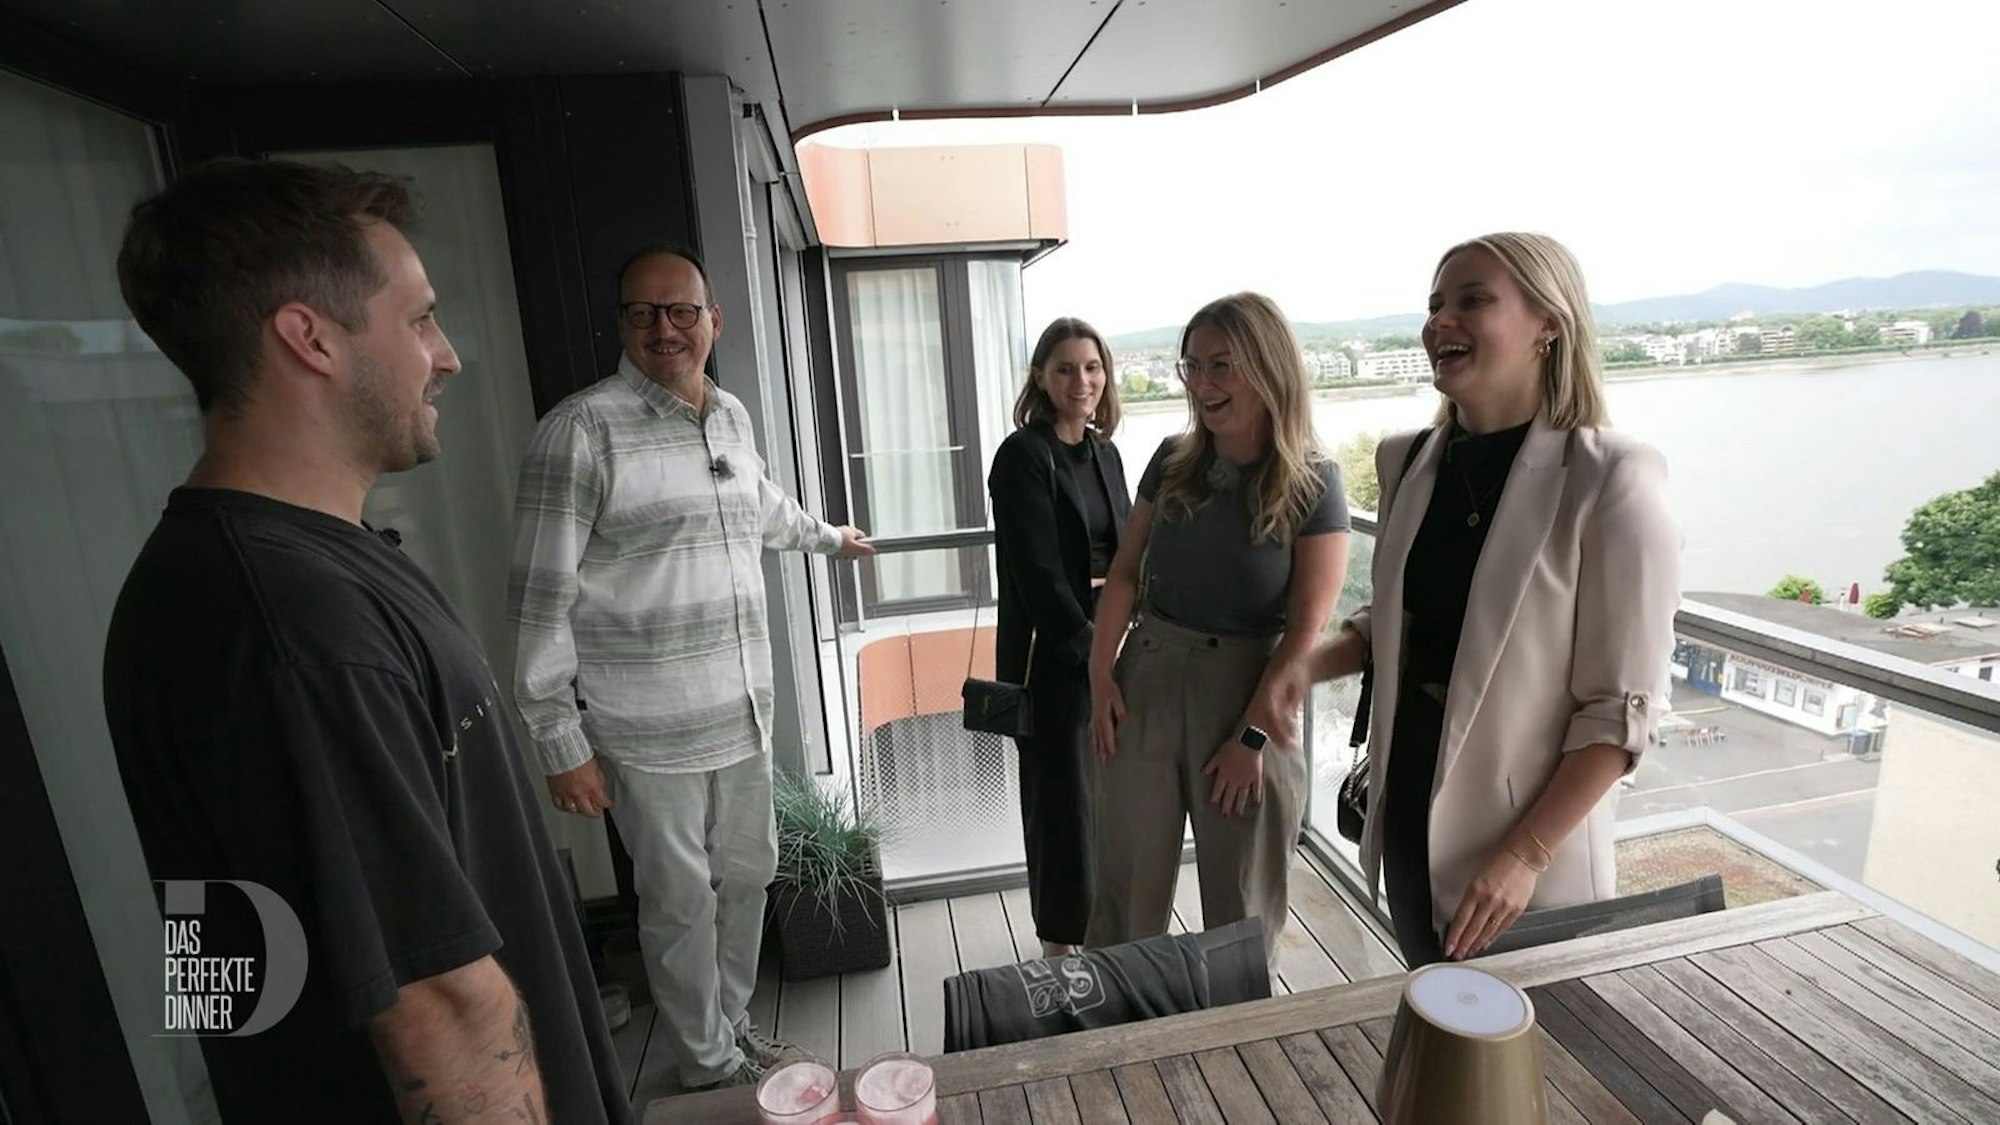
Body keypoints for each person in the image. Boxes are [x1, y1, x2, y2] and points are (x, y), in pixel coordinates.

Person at [102, 158, 631, 1122]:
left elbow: (224, 957)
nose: (447, 355)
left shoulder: (221, 580)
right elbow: (436, 1003)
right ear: (309, 338)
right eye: (420, 318)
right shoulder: (294, 629)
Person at [508, 242, 872, 1092]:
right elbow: (538, 596)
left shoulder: (730, 416)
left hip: (741, 711)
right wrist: (559, 739)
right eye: (642, 312)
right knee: (678, 902)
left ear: (714, 319)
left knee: (748, 875)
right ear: (621, 324)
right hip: (645, 729)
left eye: (681, 311)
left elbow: (762, 507)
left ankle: (732, 1027)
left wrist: (829, 538)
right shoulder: (580, 432)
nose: (663, 328)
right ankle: (709, 1069)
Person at [1300, 232, 1681, 966]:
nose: (1439, 322)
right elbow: (1401, 622)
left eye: (1472, 300)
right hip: (1404, 811)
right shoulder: (1407, 461)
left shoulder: (1612, 477)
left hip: (1525, 856)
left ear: (1549, 324)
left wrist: (1524, 854)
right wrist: (1294, 671)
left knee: (1529, 1038)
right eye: (1435, 305)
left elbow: (1621, 711)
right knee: (1434, 1011)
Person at [1087, 292, 1349, 970]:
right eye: (1193, 365)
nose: (1202, 383)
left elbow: (1305, 632)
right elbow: (1124, 574)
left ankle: (1235, 1031)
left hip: (1250, 695)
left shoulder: (1314, 480)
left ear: (1268, 366)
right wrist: (1100, 676)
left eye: (1222, 365)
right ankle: (1117, 1024)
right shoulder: (1174, 459)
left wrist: (1251, 736)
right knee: (1126, 888)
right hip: (1146, 676)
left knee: (1242, 905)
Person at [987, 318, 1133, 959]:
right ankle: (1059, 946)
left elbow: (1128, 554)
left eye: (1093, 367)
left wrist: (1127, 639)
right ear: (1041, 378)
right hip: (1056, 654)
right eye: (1067, 368)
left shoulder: (1106, 454)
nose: (1083, 381)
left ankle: (1105, 932)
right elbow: (1038, 574)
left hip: (1115, 643)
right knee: (1062, 808)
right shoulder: (1022, 455)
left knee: (1109, 799)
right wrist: (1094, 651)